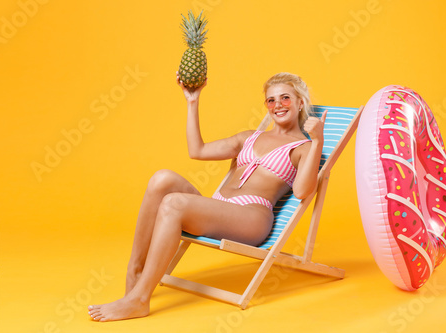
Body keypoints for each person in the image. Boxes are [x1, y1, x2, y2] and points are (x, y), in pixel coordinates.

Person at [88, 72, 327, 321]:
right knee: (162, 179)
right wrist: (193, 101)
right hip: (221, 208)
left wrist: (318, 139)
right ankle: (135, 273)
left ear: (301, 102)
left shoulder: (304, 147)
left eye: (285, 98)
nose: (277, 105)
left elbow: (302, 191)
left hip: (251, 218)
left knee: (174, 203)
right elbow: (197, 150)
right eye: (271, 100)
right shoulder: (249, 137)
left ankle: (139, 300)